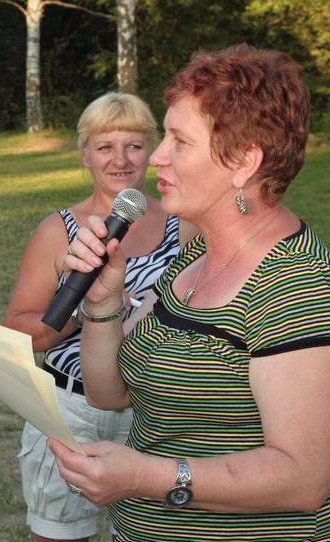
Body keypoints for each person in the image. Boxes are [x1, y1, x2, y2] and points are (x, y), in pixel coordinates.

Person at [48, 44, 330, 541]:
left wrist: (146, 477)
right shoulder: (195, 253)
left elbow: (304, 477)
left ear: (244, 161)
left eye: (179, 141)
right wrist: (104, 303)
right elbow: (109, 393)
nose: (156, 157)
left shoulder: (295, 286)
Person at [3, 92, 198, 542]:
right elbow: (20, 333)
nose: (121, 160)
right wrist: (87, 306)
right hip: (72, 411)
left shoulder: (185, 224)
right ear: (85, 155)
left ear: (152, 151)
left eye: (134, 145)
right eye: (105, 147)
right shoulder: (57, 231)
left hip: (153, 409)